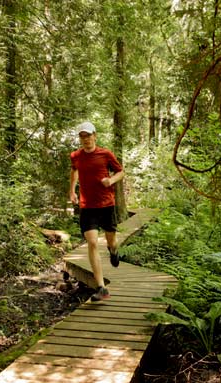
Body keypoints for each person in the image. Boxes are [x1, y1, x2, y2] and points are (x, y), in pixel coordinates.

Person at [69, 121, 125, 301]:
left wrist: (111, 180)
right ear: (80, 139)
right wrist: (72, 190)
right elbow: (74, 171)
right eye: (82, 136)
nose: (86, 139)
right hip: (87, 206)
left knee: (112, 241)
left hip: (106, 205)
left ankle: (114, 251)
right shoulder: (76, 156)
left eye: (88, 135)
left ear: (95, 136)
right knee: (92, 243)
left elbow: (121, 172)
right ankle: (101, 287)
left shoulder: (105, 154)